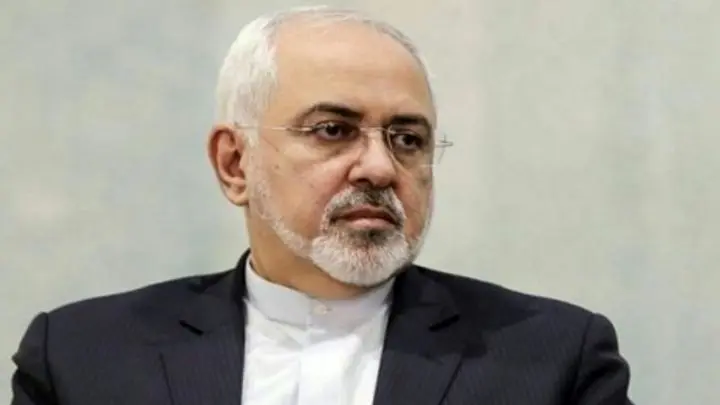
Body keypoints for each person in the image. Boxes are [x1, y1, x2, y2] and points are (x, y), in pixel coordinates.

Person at [11, 5, 633, 405]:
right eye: (333, 130)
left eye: (407, 139)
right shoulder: (82, 358)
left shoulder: (551, 360)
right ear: (235, 164)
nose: (380, 167)